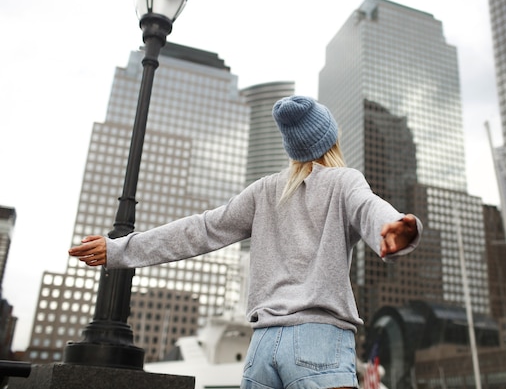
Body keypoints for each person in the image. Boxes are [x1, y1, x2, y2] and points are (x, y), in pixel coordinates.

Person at [69, 95, 422, 389]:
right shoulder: (344, 181)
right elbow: (370, 207)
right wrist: (393, 226)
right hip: (318, 342)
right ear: (331, 138)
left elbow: (199, 229)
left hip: (262, 349)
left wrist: (119, 248)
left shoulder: (264, 192)